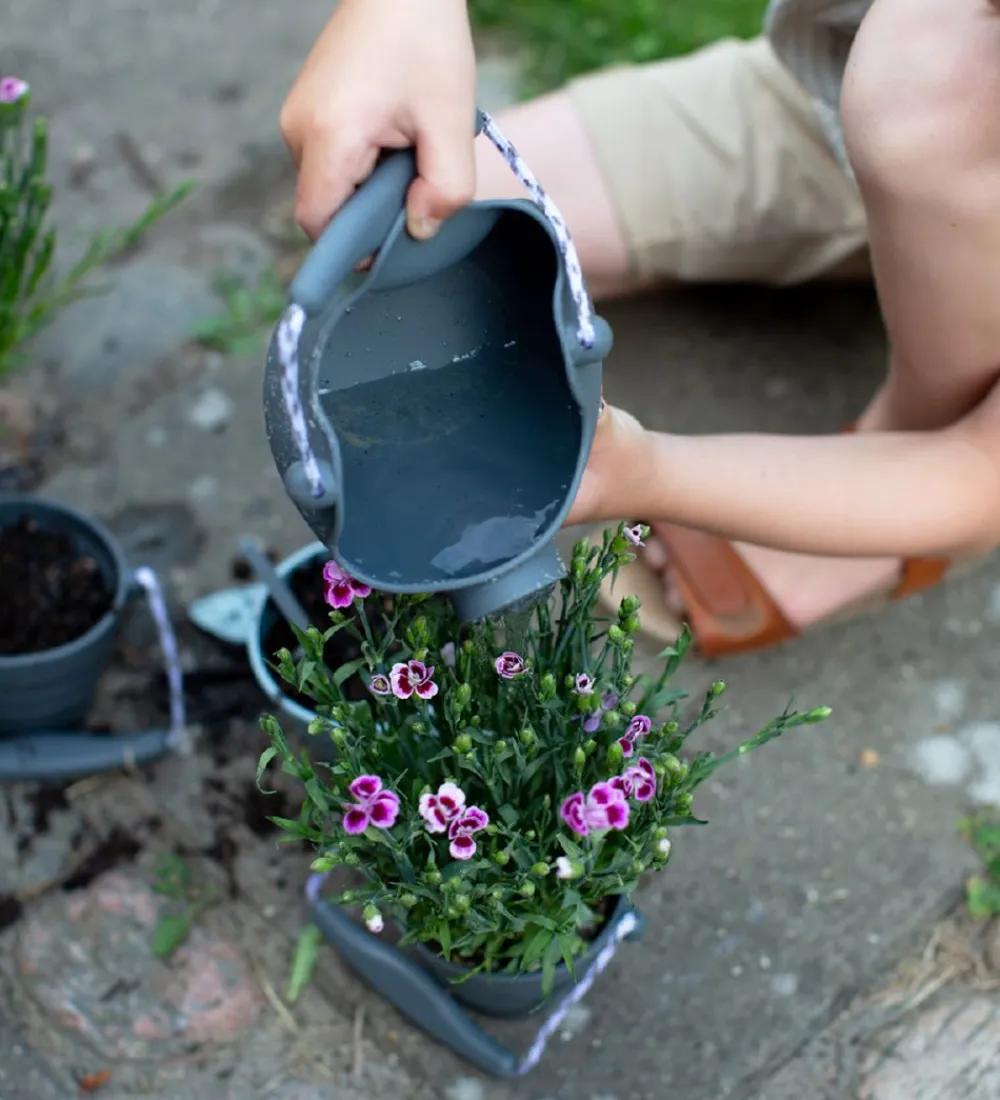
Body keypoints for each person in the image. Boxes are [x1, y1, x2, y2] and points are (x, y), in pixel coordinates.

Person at [279, 0, 1000, 657]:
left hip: (936, 108)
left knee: (938, 72)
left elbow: (980, 474)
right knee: (422, 214)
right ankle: (908, 165)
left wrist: (648, 473)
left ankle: (903, 445)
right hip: (835, 85)